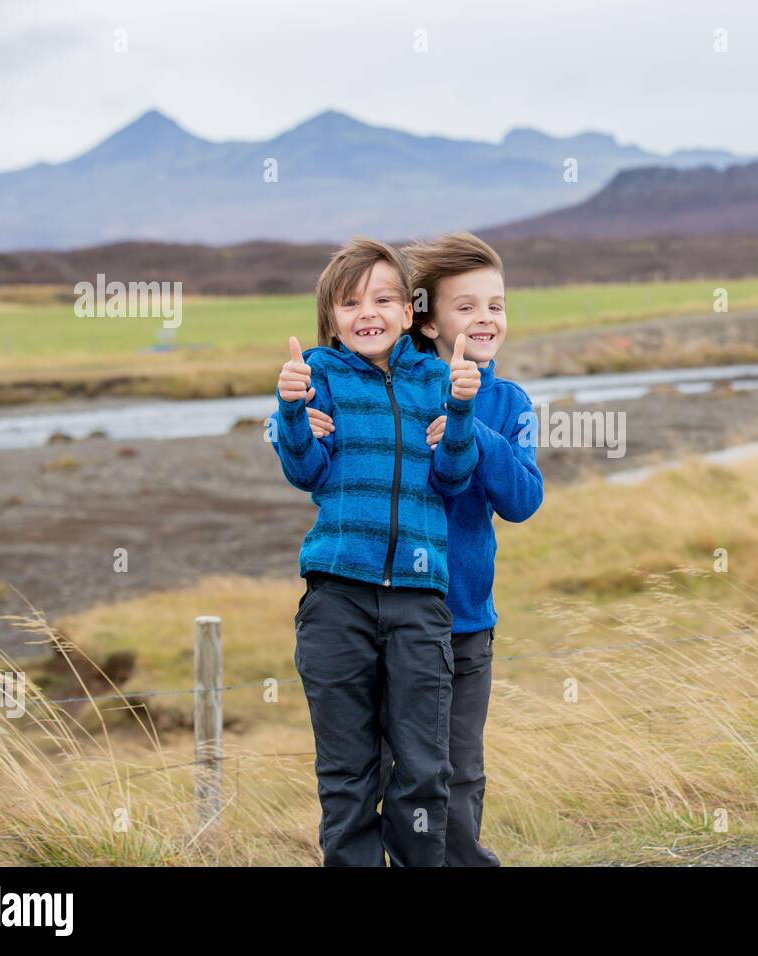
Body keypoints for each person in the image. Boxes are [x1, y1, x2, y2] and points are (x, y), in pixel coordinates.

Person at [307, 232, 543, 865]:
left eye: (496, 305)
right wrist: (292, 420)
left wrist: (471, 422)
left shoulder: (508, 401)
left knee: (453, 776)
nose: (485, 319)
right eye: (465, 307)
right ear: (426, 315)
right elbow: (330, 446)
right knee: (376, 770)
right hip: (394, 612)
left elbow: (523, 500)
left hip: (465, 620)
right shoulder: (402, 384)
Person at [272, 237, 480, 866]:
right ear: (330, 314)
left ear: (407, 307)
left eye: (384, 298)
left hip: (420, 603)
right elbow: (305, 470)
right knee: (347, 777)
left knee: (422, 771)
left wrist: (462, 414)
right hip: (337, 598)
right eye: (351, 301)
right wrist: (289, 413)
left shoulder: (436, 379)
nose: (369, 312)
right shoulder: (316, 377)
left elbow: (453, 478)